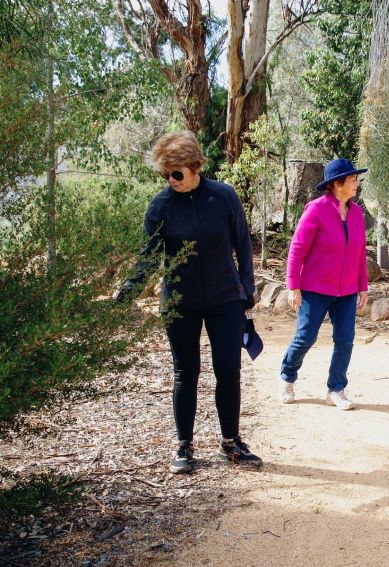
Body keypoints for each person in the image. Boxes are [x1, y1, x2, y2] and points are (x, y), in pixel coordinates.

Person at [114, 131, 263, 474]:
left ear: (196, 166)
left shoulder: (224, 197)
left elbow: (242, 244)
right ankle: (184, 446)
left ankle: (231, 443)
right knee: (186, 372)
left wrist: (247, 289)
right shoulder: (160, 206)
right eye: (165, 174)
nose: (171, 180)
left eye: (177, 173)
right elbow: (148, 259)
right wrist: (129, 290)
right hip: (180, 302)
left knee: (228, 369)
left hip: (225, 298)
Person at [279, 158, 369, 410]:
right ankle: (287, 377)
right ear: (337, 184)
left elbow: (360, 252)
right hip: (314, 289)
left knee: (345, 340)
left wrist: (363, 285)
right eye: (352, 179)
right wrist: (293, 286)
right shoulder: (316, 210)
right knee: (305, 337)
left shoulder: (357, 213)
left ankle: (336, 388)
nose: (356, 183)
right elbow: (297, 249)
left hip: (347, 291)